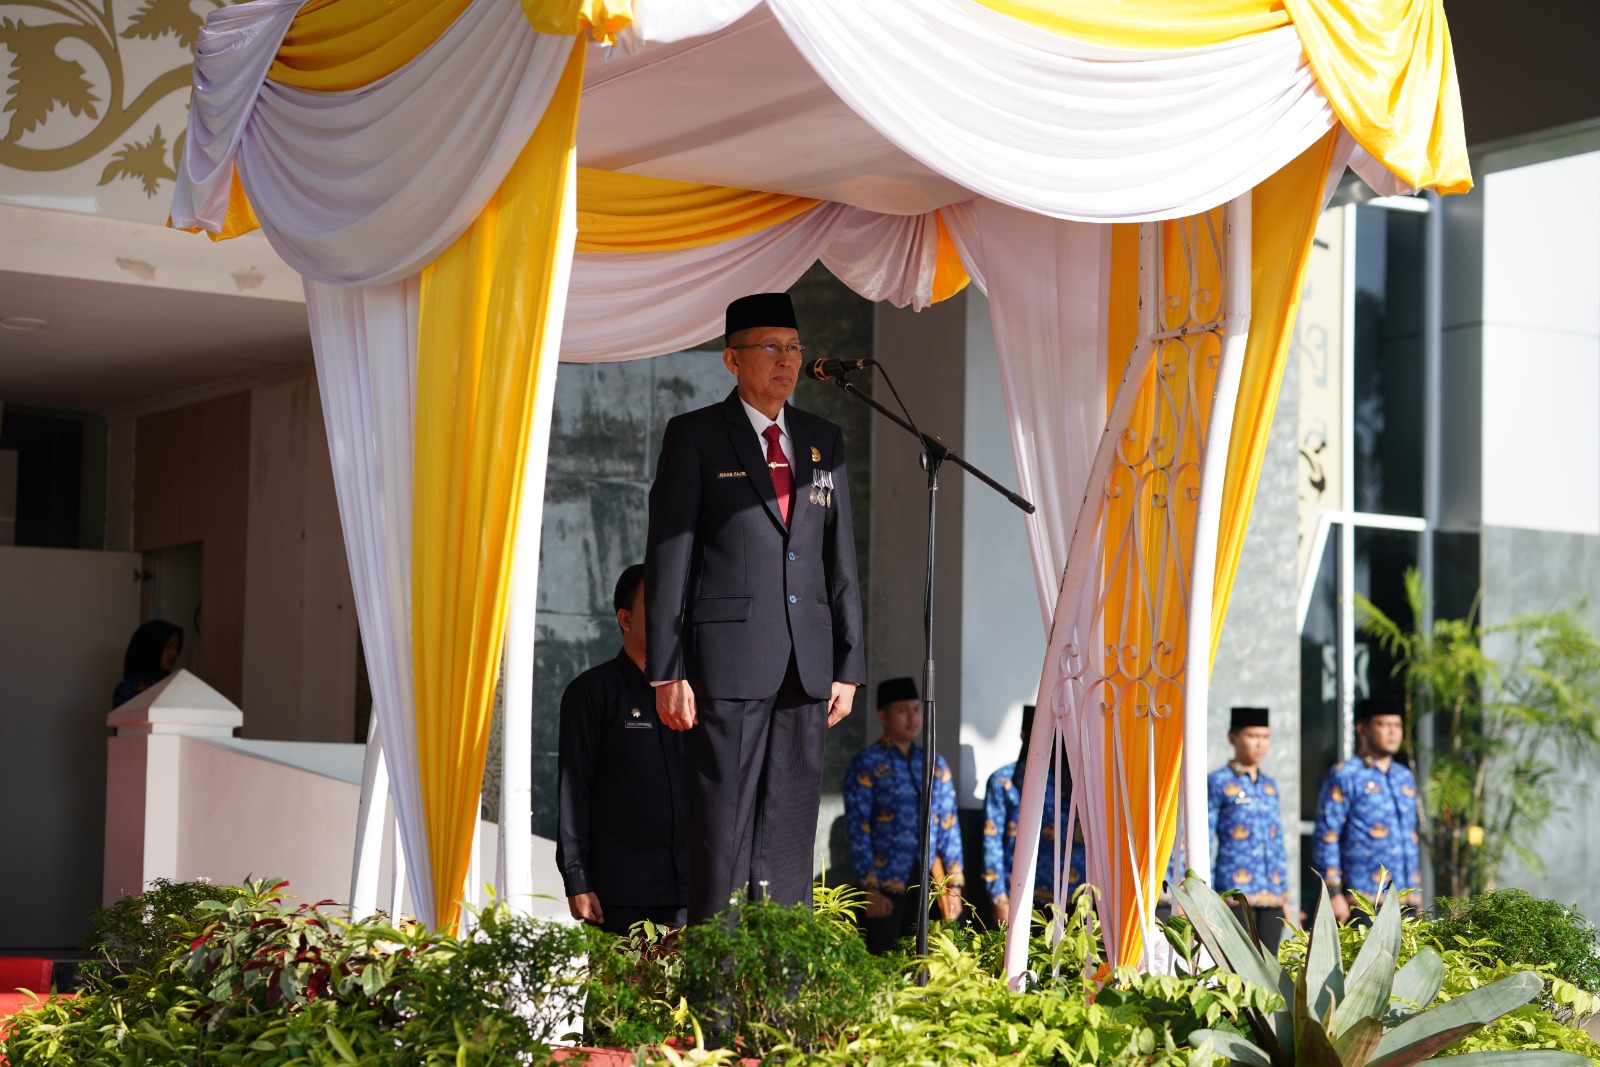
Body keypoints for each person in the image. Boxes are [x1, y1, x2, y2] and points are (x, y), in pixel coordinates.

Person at [645, 292, 865, 925]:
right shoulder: (695, 436)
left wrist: (848, 665)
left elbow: (839, 559)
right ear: (732, 359)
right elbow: (670, 555)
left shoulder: (823, 440)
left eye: (793, 347)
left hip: (807, 666)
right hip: (727, 664)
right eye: (770, 347)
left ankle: (779, 984)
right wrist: (667, 669)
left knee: (790, 837)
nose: (786, 360)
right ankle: (718, 982)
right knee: (723, 837)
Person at [556, 565, 688, 935]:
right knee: (623, 976)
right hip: (621, 892)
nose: (670, 617)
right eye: (656, 605)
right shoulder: (592, 692)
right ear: (625, 619)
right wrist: (577, 879)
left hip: (693, 891)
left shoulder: (699, 693)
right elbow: (574, 791)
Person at [843, 677, 964, 952]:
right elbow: (858, 828)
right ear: (883, 716)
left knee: (927, 961)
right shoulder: (867, 763)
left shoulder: (934, 764)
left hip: (929, 884)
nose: (912, 717)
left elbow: (949, 827)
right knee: (883, 959)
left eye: (916, 709)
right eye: (902, 710)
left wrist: (954, 885)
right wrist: (870, 889)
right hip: (884, 887)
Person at [1312, 696, 1423, 923]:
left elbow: (1410, 837)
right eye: (1384, 724)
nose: (1393, 732)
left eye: (1397, 725)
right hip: (1362, 900)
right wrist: (1333, 892)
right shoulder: (1346, 774)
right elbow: (1327, 835)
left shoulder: (1404, 777)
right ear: (1362, 729)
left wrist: (1417, 897)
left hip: (1405, 901)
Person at [982, 704, 1086, 926]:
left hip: (1080, 899)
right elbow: (992, 843)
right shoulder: (1004, 781)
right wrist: (998, 898)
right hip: (1022, 898)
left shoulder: (1083, 780)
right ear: (1024, 735)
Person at [1208, 707, 1295, 950]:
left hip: (1272, 896)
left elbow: (1277, 844)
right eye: (1252, 736)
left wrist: (1284, 897)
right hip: (1234, 896)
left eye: (1265, 737)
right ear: (1233, 738)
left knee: (1269, 964)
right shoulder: (1218, 782)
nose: (1260, 744)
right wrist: (1207, 892)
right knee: (1237, 964)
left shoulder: (1269, 786)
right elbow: (1204, 837)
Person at [112, 620, 183, 707]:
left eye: (177, 647)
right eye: (167, 646)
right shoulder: (130, 688)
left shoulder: (175, 684)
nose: (174, 653)